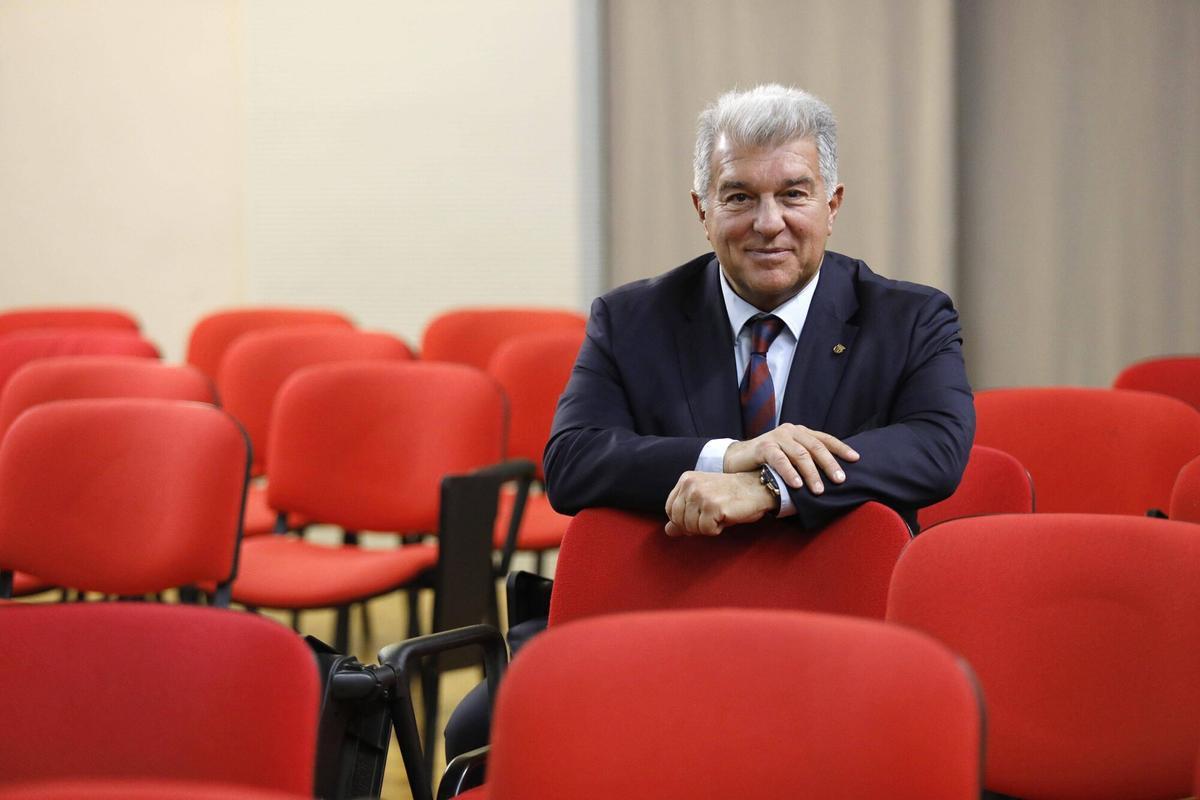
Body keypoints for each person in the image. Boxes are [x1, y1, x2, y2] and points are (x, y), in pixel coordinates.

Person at [444, 83, 974, 760]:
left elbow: (936, 447)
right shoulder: (631, 319)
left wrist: (770, 488)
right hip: (664, 612)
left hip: (835, 630)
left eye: (793, 193)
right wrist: (730, 456)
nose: (768, 222)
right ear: (703, 209)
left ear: (832, 205)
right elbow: (572, 460)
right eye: (739, 196)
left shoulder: (911, 318)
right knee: (475, 730)